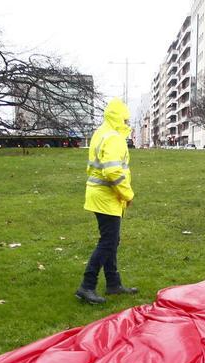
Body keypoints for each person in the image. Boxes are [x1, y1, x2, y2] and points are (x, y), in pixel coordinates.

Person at [76, 98, 137, 304]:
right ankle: (87, 285)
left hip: (100, 195)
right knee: (108, 241)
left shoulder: (101, 133)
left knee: (112, 240)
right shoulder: (114, 138)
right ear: (119, 118)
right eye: (126, 119)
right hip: (107, 196)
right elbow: (112, 170)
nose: (128, 124)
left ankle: (113, 283)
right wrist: (127, 194)